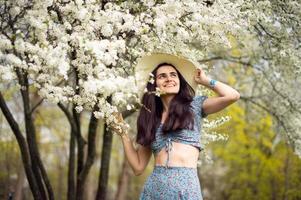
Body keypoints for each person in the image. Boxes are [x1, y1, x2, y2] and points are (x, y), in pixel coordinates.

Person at [112, 53, 240, 200]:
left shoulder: (195, 106)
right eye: (162, 76)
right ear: (154, 84)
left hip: (187, 189)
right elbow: (138, 167)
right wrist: (124, 134)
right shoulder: (150, 119)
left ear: (180, 80)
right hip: (155, 190)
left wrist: (205, 81)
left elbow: (232, 95)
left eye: (173, 75)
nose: (169, 78)